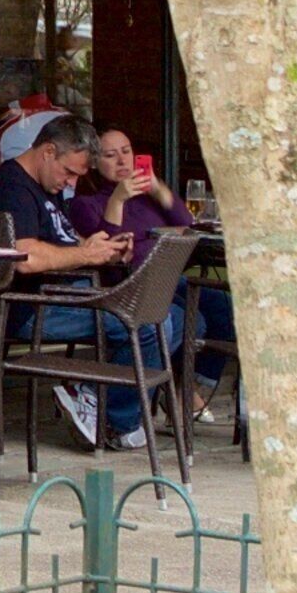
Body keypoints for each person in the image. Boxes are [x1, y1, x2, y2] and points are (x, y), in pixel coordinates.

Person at [0, 114, 141, 448]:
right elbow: (27, 257)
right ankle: (110, 419)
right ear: (48, 151)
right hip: (31, 307)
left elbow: (63, 242)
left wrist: (101, 249)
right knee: (144, 322)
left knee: (167, 315)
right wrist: (86, 256)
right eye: (69, 172)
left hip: (65, 293)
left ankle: (95, 402)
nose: (70, 183)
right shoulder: (13, 188)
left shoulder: (45, 185)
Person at [92, 124, 232, 416]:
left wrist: (155, 186)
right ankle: (159, 394)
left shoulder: (147, 199)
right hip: (133, 281)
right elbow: (110, 249)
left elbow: (188, 223)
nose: (122, 160)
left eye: (127, 152)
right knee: (192, 321)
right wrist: (118, 199)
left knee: (225, 308)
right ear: (94, 162)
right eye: (110, 155)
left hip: (168, 276)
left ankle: (187, 388)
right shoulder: (89, 203)